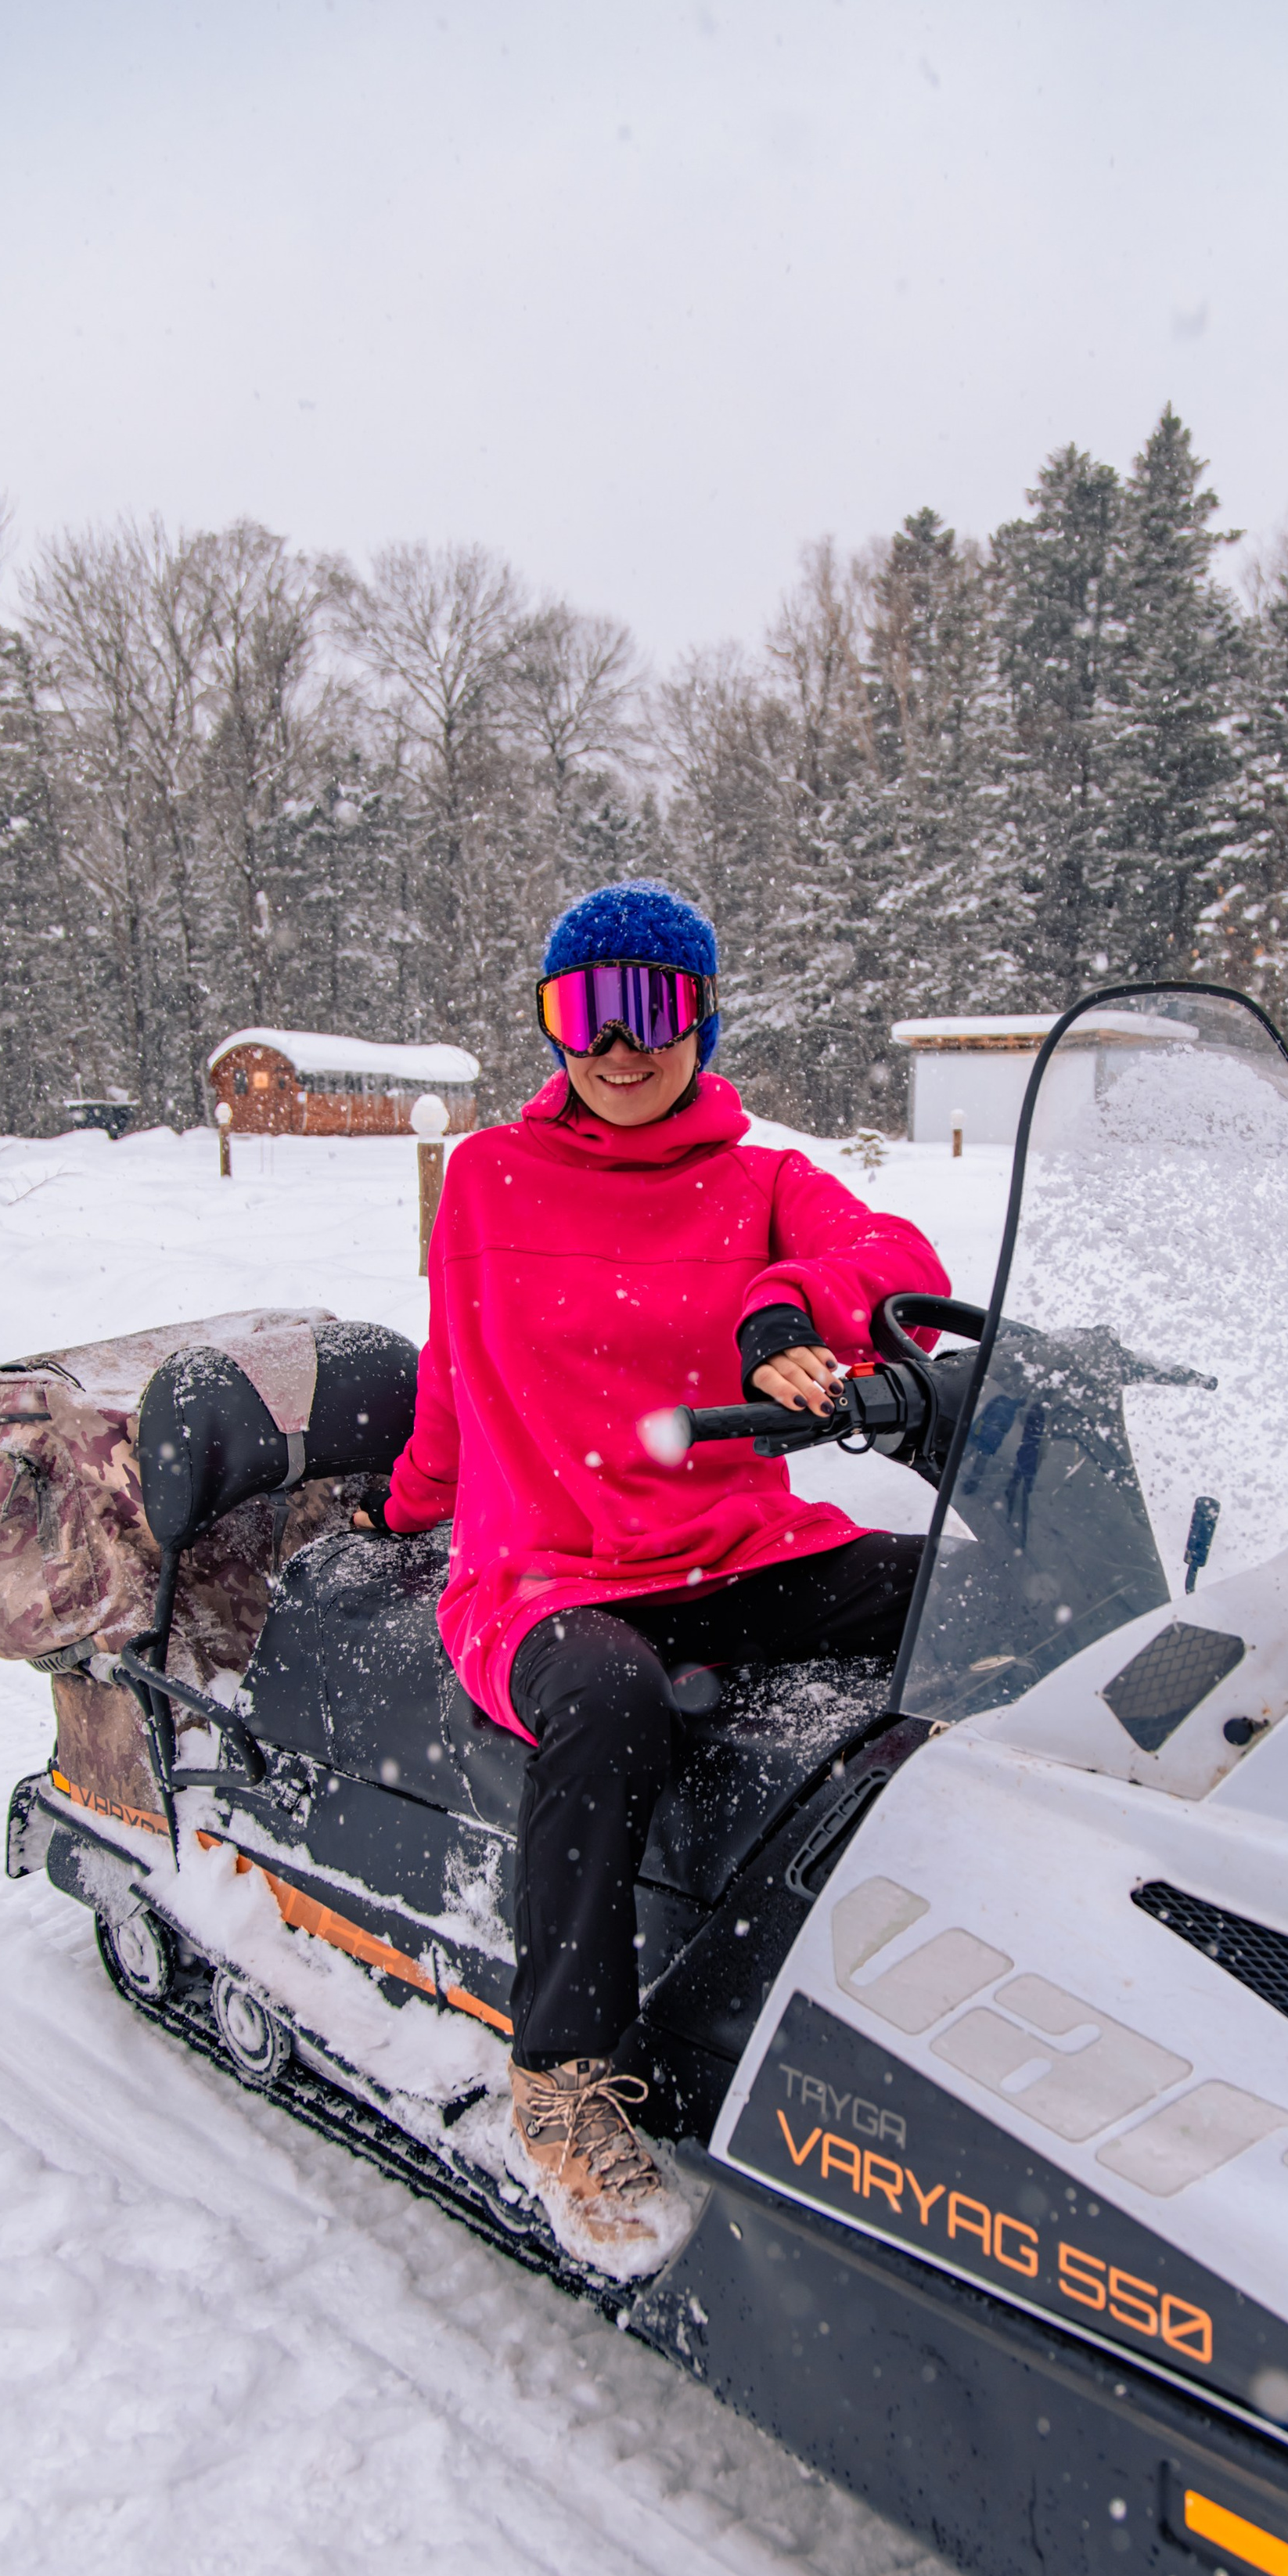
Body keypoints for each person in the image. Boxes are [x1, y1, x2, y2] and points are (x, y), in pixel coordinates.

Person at [383, 883, 949, 2257]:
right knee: (614, 1707)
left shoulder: (761, 1181)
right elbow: (454, 1367)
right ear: (552, 1026)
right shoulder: (489, 1180)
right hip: (548, 1573)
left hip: (739, 1549)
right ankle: (566, 2072)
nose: (620, 1047)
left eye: (654, 1008)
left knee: (965, 1604)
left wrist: (784, 1303)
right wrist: (416, 1504)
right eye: (586, 1013)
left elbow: (899, 1263)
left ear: (700, 1014)